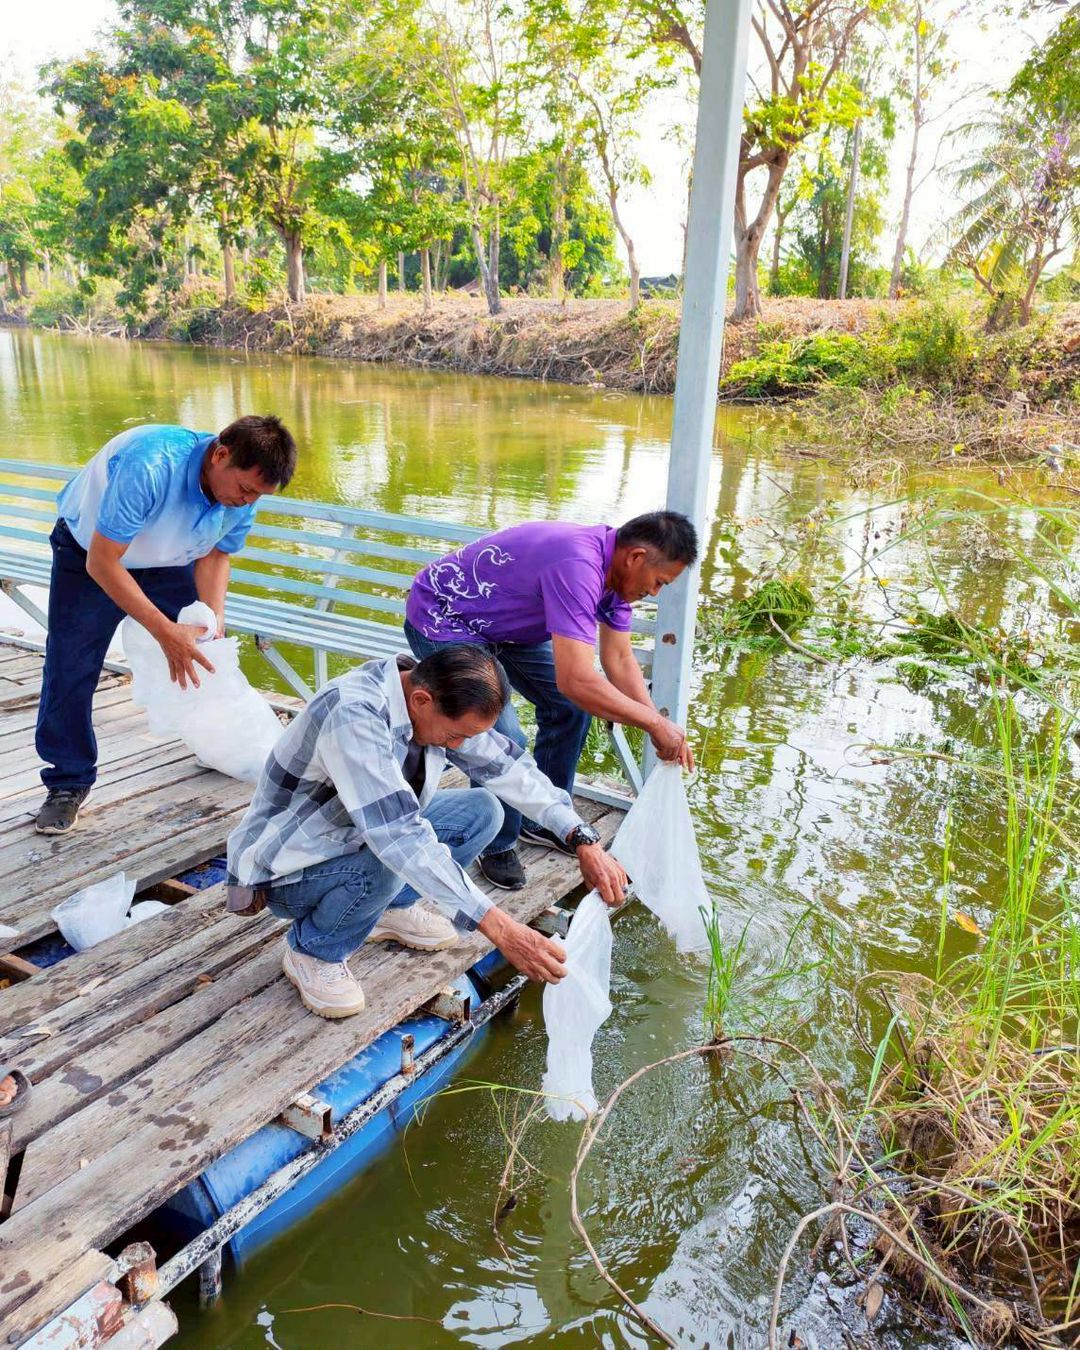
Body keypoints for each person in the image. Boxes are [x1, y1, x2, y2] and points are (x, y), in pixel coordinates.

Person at [226, 644, 627, 1020]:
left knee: (483, 810)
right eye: (456, 736)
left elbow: (508, 768)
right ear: (421, 701)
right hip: (287, 863)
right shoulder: (354, 713)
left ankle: (390, 908)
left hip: (355, 832)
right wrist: (501, 928)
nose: (461, 745)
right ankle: (314, 949)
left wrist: (581, 837)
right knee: (389, 859)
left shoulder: (431, 696)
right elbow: (398, 836)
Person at [404, 510, 697, 890]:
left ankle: (545, 820)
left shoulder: (617, 580)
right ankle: (497, 843)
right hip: (446, 618)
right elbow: (576, 679)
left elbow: (619, 659)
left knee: (570, 709)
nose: (655, 593)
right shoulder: (578, 564)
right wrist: (654, 724)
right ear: (636, 557)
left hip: (507, 629)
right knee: (502, 734)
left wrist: (657, 722)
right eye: (658, 582)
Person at [34, 416, 297, 836]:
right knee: (71, 666)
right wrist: (163, 631)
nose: (247, 501)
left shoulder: (241, 496)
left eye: (257, 496)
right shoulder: (151, 465)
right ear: (220, 454)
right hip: (90, 556)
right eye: (245, 489)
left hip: (170, 559)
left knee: (206, 654)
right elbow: (103, 562)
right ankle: (67, 781)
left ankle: (218, 746)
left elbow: (216, 555)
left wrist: (212, 623)